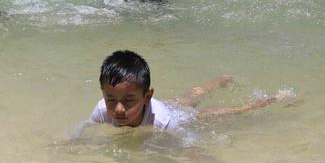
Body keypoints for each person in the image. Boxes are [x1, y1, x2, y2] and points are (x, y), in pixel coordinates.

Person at [88, 50, 283, 130]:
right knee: (186, 98)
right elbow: (84, 130)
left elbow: (187, 143)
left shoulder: (164, 122)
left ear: (147, 96)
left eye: (128, 100)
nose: (119, 109)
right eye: (111, 99)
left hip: (174, 114)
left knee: (201, 114)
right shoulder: (102, 110)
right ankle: (218, 82)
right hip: (160, 106)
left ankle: (254, 105)